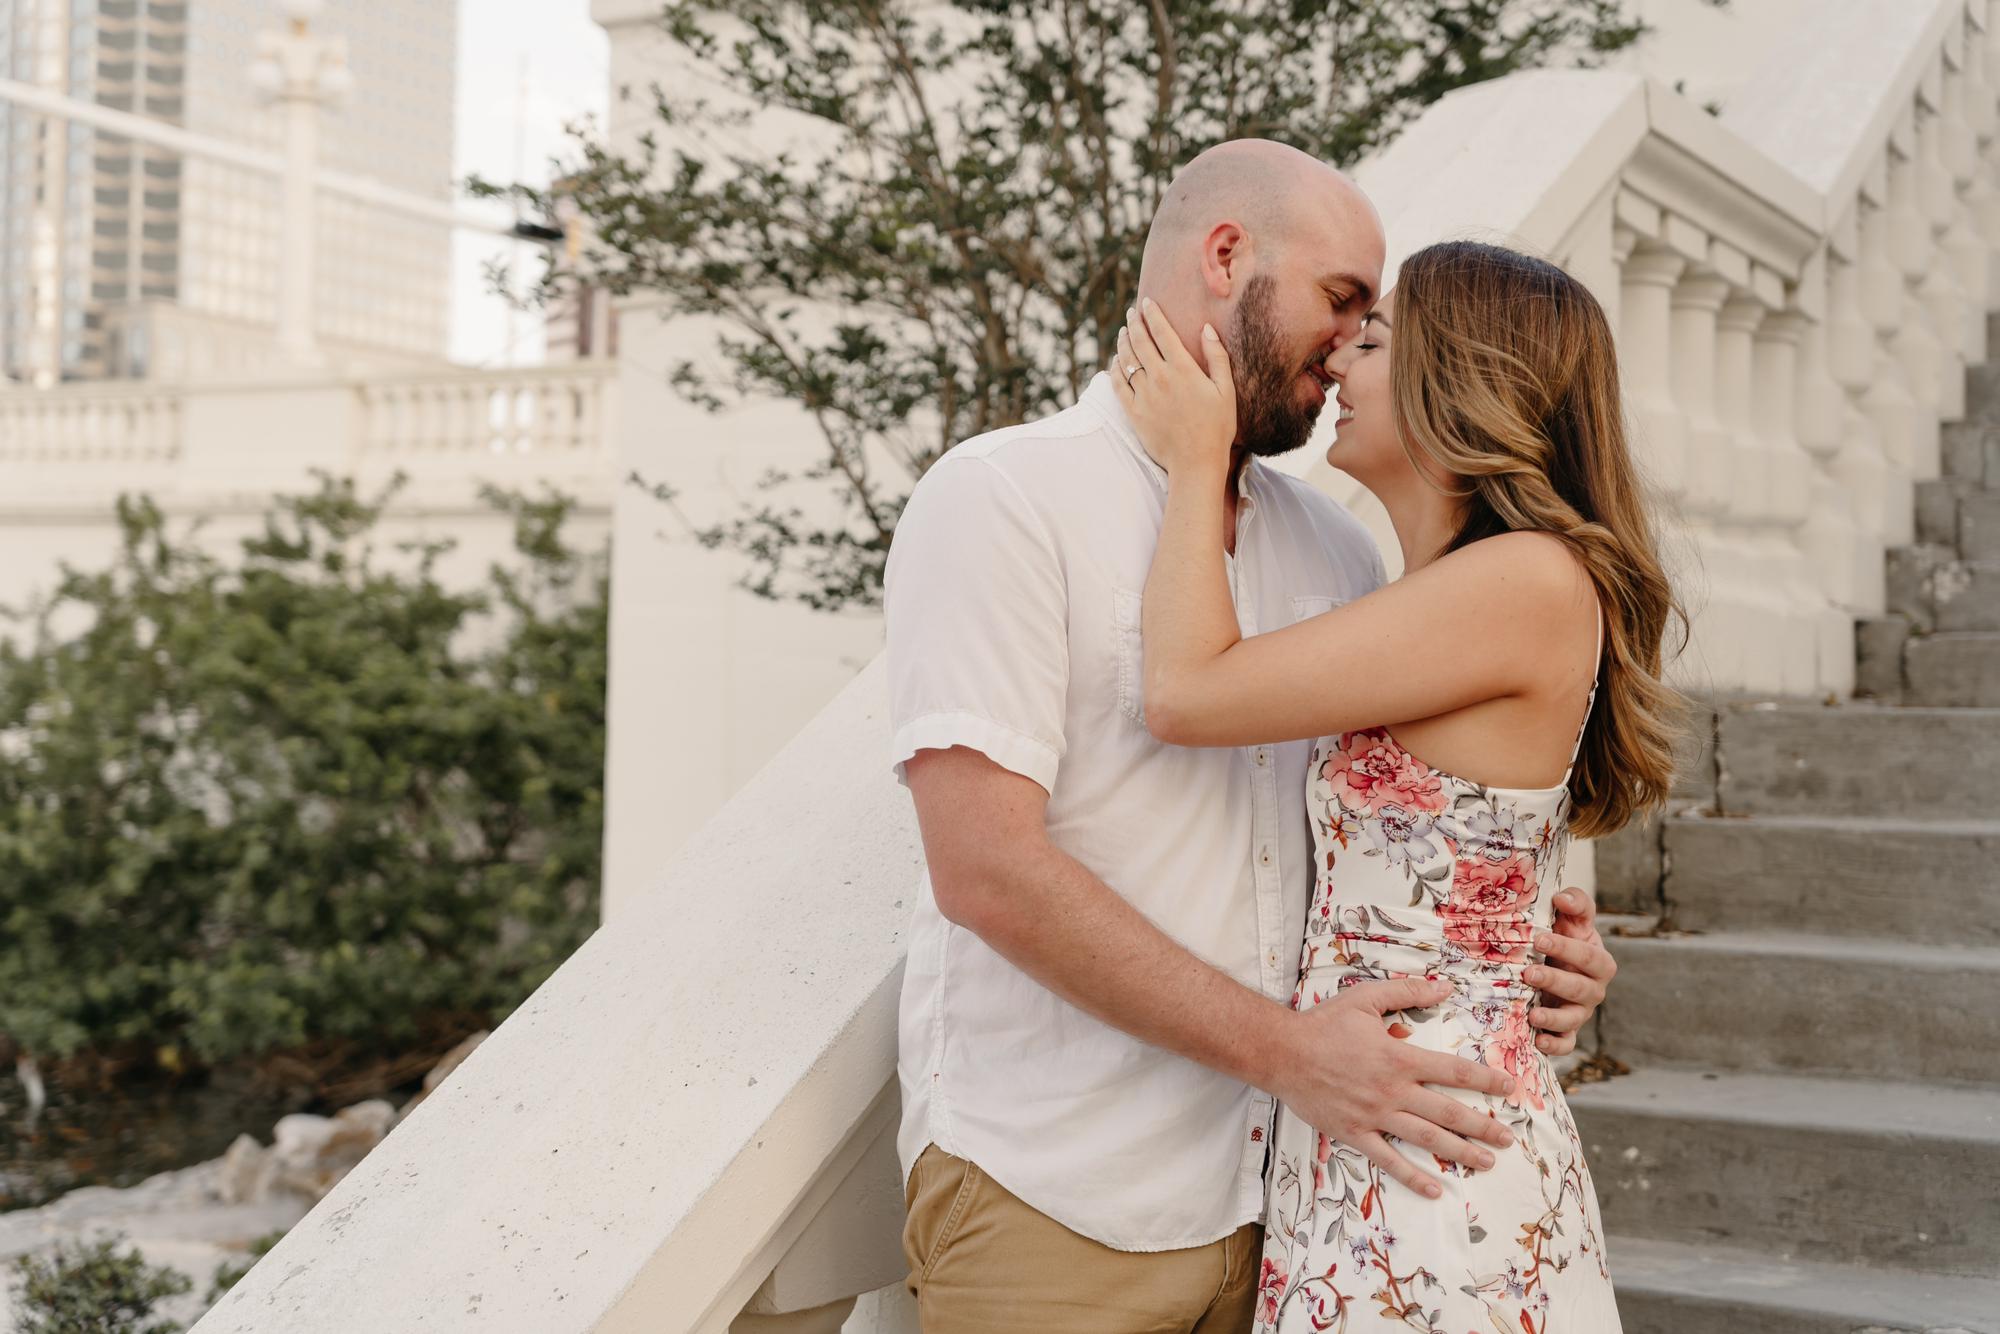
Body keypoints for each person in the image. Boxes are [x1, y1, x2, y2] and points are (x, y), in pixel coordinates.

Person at [883, 140, 1621, 1333]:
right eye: (1342, 304)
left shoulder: (1334, 551)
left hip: (1298, 1194)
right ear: (1226, 258)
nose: (1344, 348)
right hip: (1067, 1194)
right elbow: (984, 869)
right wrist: (1290, 1051)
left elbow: (1410, 816)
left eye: (1372, 329)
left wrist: (1522, 943)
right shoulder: (1006, 498)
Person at [1110, 238, 1682, 1332]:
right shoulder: (1450, 587)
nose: (1337, 363)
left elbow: (1183, 691)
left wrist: (1196, 458)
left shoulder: (1522, 577)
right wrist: (1547, 940)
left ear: (1456, 377)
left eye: (1370, 338)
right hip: (1382, 1125)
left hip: (1430, 1167)